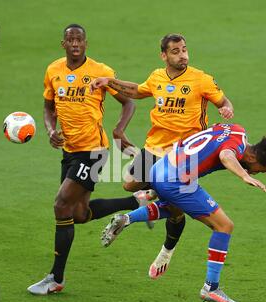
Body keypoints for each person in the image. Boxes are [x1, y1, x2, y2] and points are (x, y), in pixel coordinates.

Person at [100, 123, 266, 302]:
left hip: (161, 165)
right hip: (176, 179)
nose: (254, 172)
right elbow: (225, 155)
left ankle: (127, 219)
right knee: (224, 226)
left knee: (171, 207)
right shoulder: (237, 149)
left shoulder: (237, 129)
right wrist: (244, 176)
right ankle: (211, 288)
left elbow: (203, 140)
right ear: (252, 156)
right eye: (258, 169)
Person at [27, 24, 146, 295]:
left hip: (93, 151)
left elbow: (129, 102)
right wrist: (49, 130)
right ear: (63, 44)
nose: (75, 43)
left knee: (61, 206)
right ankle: (138, 201)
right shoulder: (53, 71)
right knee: (79, 214)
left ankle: (56, 278)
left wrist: (118, 130)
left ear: (86, 43)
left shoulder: (100, 71)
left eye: (79, 39)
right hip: (69, 150)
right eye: (70, 40)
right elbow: (48, 107)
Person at [90, 33, 234, 250]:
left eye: (184, 49)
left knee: (175, 208)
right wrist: (108, 81)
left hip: (184, 152)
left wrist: (226, 108)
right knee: (130, 184)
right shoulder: (157, 77)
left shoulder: (201, 79)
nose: (182, 55)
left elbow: (224, 101)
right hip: (156, 145)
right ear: (164, 56)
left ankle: (166, 248)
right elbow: (137, 91)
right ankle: (153, 192)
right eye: (175, 52)